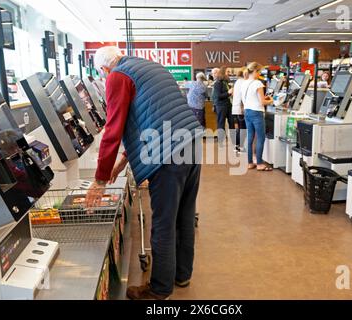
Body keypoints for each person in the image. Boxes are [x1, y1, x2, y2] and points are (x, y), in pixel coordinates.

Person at [86, 46, 203, 300]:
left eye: (102, 74)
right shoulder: (151, 67)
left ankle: (159, 290)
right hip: (191, 143)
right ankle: (182, 275)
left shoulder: (117, 77)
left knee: (162, 222)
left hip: (168, 154)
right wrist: (120, 164)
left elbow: (113, 129)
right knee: (184, 215)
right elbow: (152, 117)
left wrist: (99, 180)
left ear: (104, 69)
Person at [241, 62, 274, 171]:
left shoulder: (244, 83)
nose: (260, 74)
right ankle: (259, 163)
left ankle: (250, 163)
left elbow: (251, 98)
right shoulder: (258, 83)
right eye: (259, 72)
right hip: (256, 113)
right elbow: (263, 102)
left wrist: (264, 99)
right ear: (255, 71)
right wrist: (272, 101)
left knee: (250, 137)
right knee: (260, 138)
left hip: (247, 112)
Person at [212, 66, 233, 146]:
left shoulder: (226, 81)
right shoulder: (218, 83)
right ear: (223, 72)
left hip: (228, 104)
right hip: (221, 105)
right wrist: (228, 93)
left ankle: (233, 139)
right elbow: (218, 96)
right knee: (221, 122)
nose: (229, 73)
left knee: (231, 121)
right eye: (228, 71)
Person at [231, 68, 248, 153]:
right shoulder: (243, 82)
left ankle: (237, 146)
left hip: (235, 108)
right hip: (240, 108)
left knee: (240, 128)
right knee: (243, 128)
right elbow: (243, 96)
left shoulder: (237, 82)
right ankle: (240, 147)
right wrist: (243, 107)